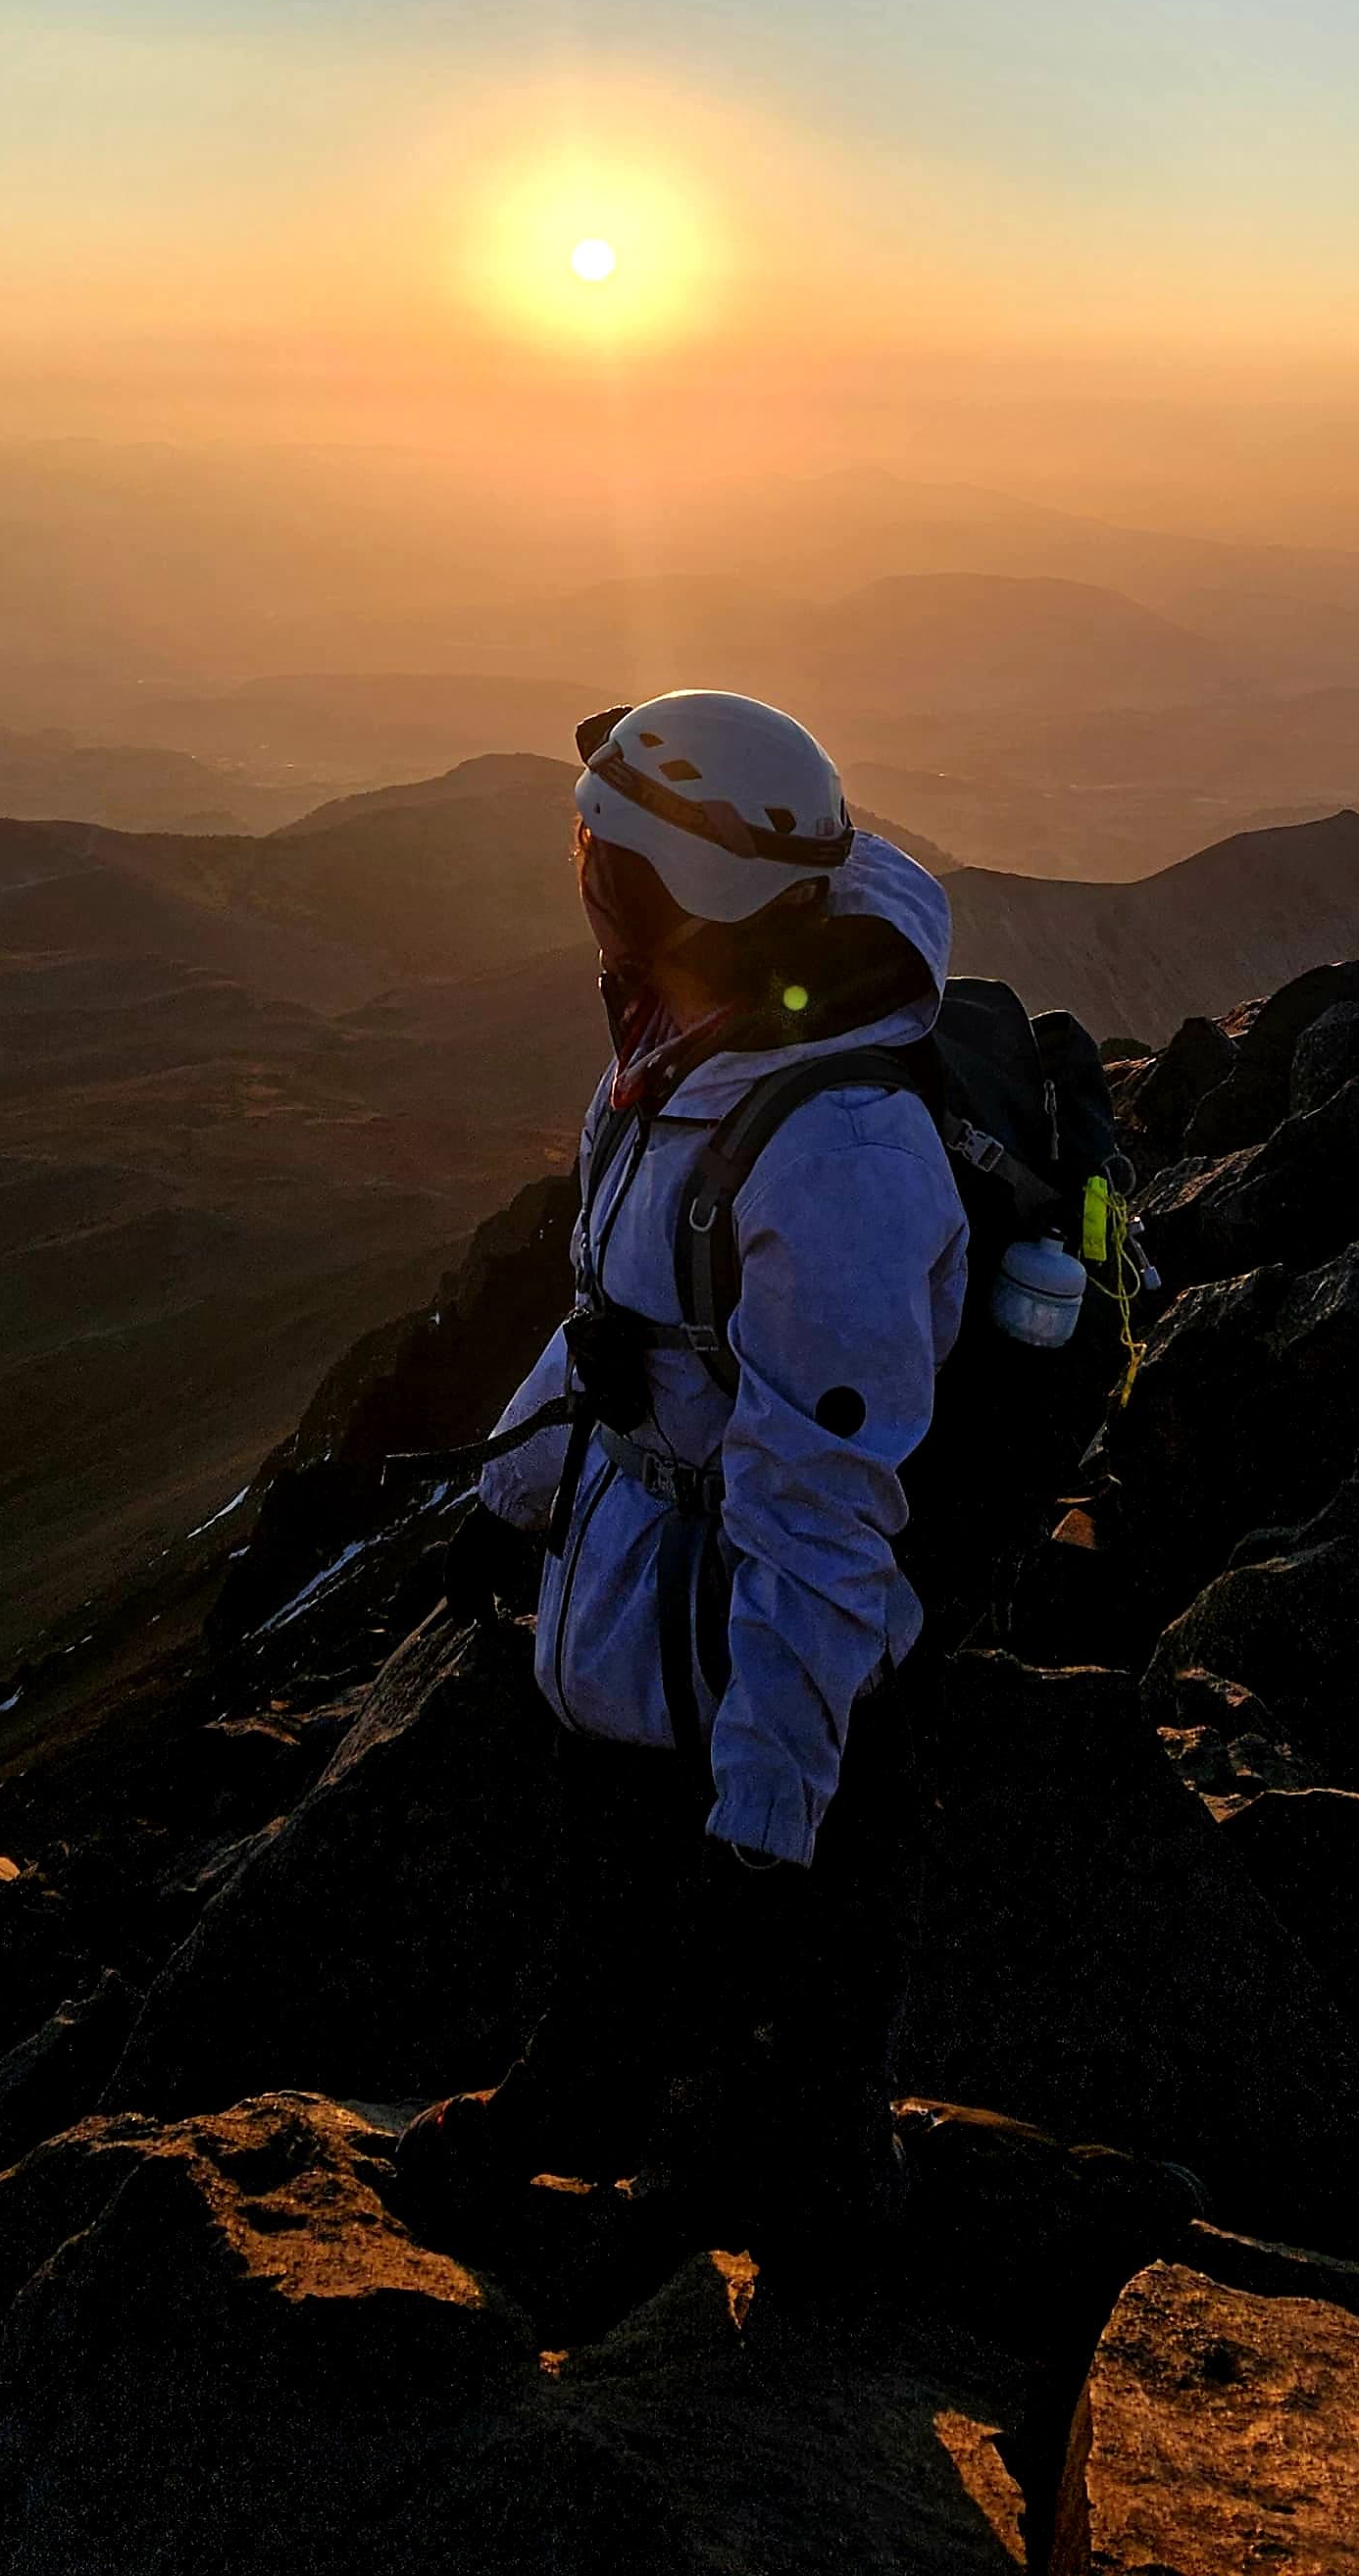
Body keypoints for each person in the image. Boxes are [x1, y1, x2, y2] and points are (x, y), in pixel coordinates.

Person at [395, 687, 968, 2278]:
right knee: (627, 1906)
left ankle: (792, 2335)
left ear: (656, 892)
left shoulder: (834, 1147)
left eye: (596, 856)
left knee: (793, 1985)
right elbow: (617, 1317)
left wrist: (770, 1809)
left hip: (776, 1655)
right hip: (655, 1602)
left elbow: (824, 1510)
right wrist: (505, 1507)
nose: (578, 877)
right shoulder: (688, 1036)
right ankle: (599, 2118)